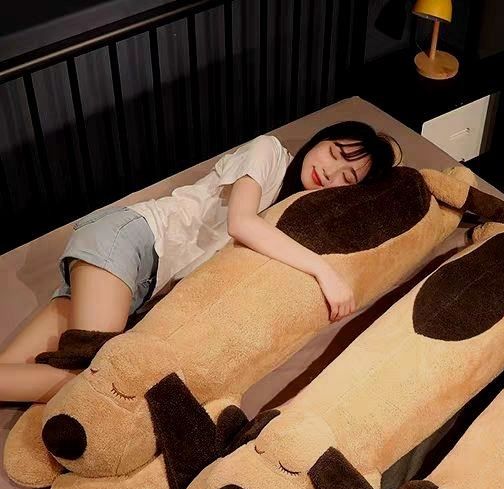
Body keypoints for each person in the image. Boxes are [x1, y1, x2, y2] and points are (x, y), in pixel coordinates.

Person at [0, 121, 400, 403]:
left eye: (348, 178)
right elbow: (241, 222)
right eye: (335, 153)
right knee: (95, 382)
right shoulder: (268, 153)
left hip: (138, 284)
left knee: (7, 374)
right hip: (131, 241)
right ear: (321, 139)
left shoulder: (291, 216)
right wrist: (324, 270)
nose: (331, 173)